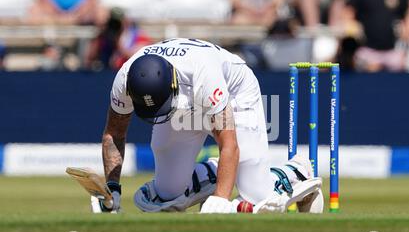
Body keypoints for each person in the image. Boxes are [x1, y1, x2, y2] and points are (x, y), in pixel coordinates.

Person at [97, 38, 324, 214]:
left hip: (235, 94)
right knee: (167, 194)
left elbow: (228, 144)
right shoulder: (125, 78)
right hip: (182, 104)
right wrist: (112, 188)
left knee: (257, 198)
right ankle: (214, 173)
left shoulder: (204, 74)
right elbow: (114, 133)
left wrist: (220, 199)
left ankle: (297, 171)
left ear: (173, 84)